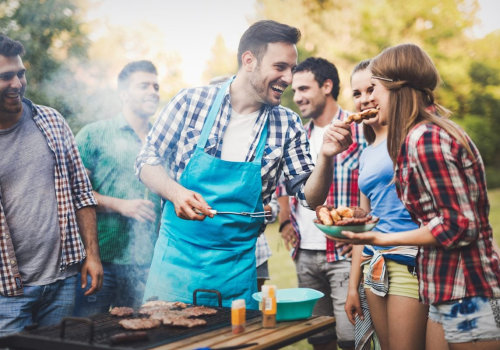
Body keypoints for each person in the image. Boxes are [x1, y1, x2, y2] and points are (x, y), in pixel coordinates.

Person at [134, 20, 353, 309]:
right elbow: (146, 161)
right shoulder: (191, 102)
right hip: (175, 266)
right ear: (249, 60)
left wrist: (326, 156)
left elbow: (312, 198)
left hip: (236, 272)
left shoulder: (287, 124)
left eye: (292, 68)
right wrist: (175, 193)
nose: (288, 77)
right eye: (280, 67)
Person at [331, 43, 500, 350]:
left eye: (376, 86)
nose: (370, 97)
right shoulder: (421, 135)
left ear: (395, 88)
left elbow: (460, 225)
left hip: (466, 289)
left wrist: (381, 240)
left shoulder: (425, 138)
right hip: (444, 283)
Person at [0, 34, 103, 336]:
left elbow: (82, 194)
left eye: (21, 73)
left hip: (62, 281)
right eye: (6, 77)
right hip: (6, 291)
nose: (17, 84)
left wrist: (92, 255)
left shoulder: (52, 121)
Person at [276, 57, 367, 350]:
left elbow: (376, 188)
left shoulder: (359, 129)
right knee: (319, 338)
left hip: (344, 255)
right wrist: (285, 220)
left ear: (327, 86)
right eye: (294, 90)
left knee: (351, 339)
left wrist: (360, 236)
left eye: (304, 88)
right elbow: (283, 183)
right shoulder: (297, 135)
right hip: (305, 255)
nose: (297, 97)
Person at [344, 59, 428, 350]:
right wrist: (353, 286)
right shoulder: (366, 154)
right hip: (375, 269)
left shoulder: (411, 137)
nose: (365, 99)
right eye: (357, 93)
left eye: (371, 89)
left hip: (409, 263)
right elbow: (363, 222)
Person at [73, 61, 163, 316]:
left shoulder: (162, 139)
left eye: (156, 86)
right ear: (123, 93)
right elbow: (73, 192)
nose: (153, 91)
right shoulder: (95, 134)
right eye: (143, 85)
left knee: (143, 337)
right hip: (102, 262)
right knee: (90, 336)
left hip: (148, 264)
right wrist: (120, 205)